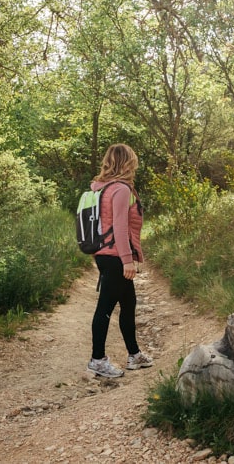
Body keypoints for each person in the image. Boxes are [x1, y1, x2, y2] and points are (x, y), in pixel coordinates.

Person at [86, 143, 153, 378]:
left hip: (103, 253)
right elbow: (120, 227)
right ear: (127, 163)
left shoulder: (99, 187)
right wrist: (127, 260)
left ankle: (134, 354)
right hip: (115, 256)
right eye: (132, 161)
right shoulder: (121, 189)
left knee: (128, 304)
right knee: (105, 308)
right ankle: (97, 359)